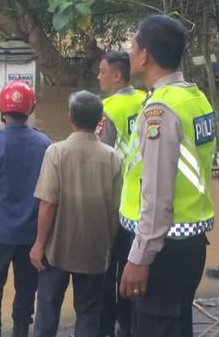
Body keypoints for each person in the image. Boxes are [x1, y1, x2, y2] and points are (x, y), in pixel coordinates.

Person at [117, 15, 216, 337]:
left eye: (133, 46)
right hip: (188, 242)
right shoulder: (194, 98)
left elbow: (157, 192)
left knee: (155, 326)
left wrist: (139, 258)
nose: (130, 53)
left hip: (163, 249)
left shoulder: (161, 111)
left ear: (145, 55)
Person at [31, 91, 123, 337]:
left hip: (57, 248)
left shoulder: (56, 152)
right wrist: (108, 245)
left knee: (48, 310)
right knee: (88, 312)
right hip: (93, 250)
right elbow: (115, 212)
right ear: (99, 119)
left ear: (70, 116)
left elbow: (48, 203)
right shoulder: (113, 157)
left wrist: (39, 244)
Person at [0, 80, 52, 337]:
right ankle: (21, 330)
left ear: (1, 109)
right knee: (27, 287)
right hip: (32, 233)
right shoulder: (45, 143)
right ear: (30, 109)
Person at [94, 51, 147, 337]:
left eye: (102, 71)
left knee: (108, 265)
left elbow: (101, 155)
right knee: (131, 266)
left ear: (117, 75)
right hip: (140, 201)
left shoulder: (108, 107)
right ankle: (129, 324)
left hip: (115, 199)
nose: (98, 76)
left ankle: (105, 326)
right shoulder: (145, 99)